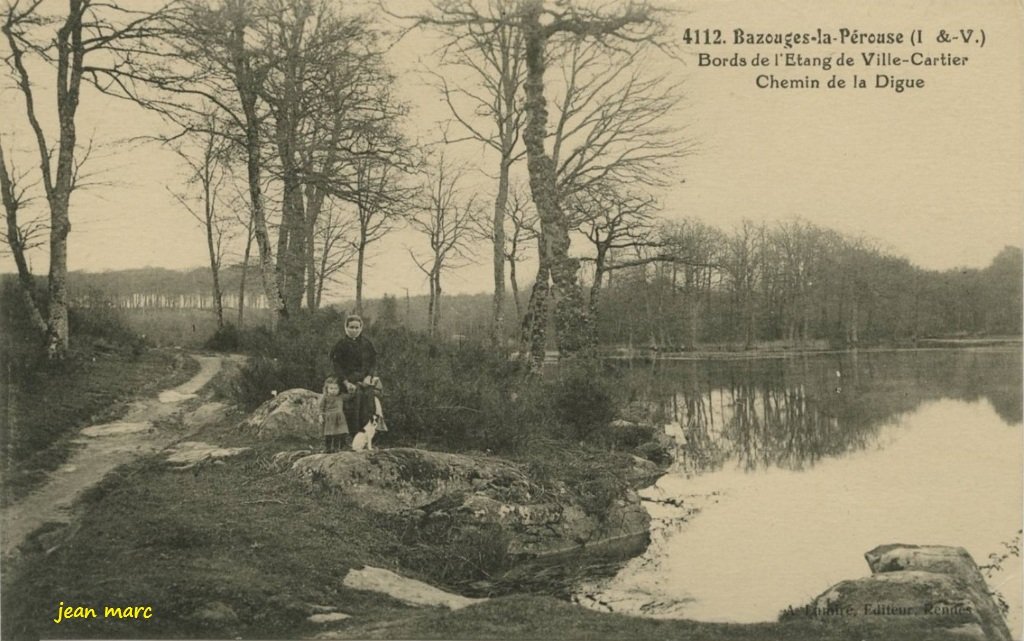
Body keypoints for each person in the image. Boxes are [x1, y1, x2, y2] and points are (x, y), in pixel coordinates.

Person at [329, 315, 378, 435]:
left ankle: (368, 434)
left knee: (369, 399)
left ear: (361, 328)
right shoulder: (340, 345)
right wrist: (345, 382)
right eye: (351, 327)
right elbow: (337, 366)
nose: (354, 330)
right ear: (346, 328)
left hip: (365, 380)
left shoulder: (367, 343)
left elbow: (373, 362)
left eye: (357, 327)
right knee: (356, 398)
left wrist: (369, 376)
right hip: (347, 380)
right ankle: (353, 434)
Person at [318, 377, 350, 452]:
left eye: (336, 388)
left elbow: (350, 395)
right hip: (329, 418)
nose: (333, 390)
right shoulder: (325, 397)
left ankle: (336, 448)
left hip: (339, 418)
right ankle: (328, 448)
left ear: (339, 389)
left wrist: (348, 386)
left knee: (337, 434)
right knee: (328, 434)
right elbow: (321, 407)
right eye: (331, 388)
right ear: (327, 389)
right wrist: (320, 415)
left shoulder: (341, 397)